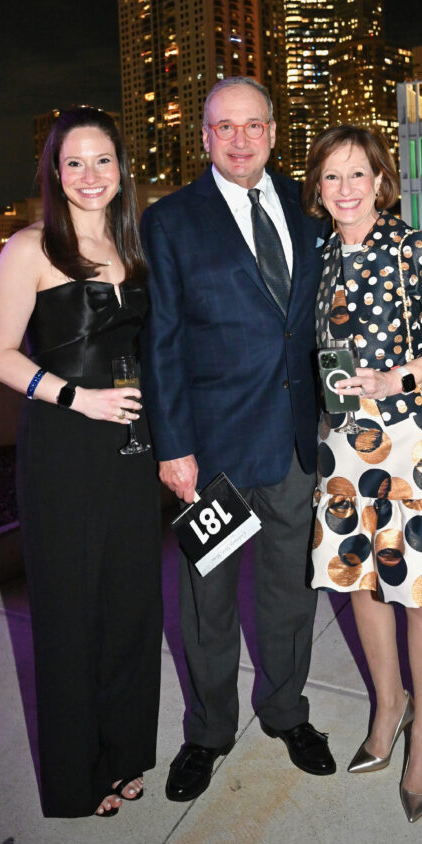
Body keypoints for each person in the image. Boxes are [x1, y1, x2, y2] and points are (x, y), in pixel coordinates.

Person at [140, 76, 333, 804]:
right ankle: (208, 731)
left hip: (291, 447)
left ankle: (287, 713)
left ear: (275, 132)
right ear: (203, 136)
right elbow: (161, 343)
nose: (241, 139)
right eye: (225, 126)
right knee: (206, 601)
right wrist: (172, 445)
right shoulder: (171, 221)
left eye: (254, 125)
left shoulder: (304, 208)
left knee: (290, 593)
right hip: (210, 454)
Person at [304, 125, 422, 824]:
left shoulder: (416, 249)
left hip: (408, 441)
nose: (345, 189)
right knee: (361, 583)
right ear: (317, 189)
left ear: (382, 182)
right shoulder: (316, 257)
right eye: (331, 177)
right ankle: (386, 711)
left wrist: (398, 376)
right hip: (343, 449)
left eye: (358, 175)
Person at [0, 107, 162, 818]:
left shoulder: (136, 248)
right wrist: (75, 399)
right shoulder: (28, 248)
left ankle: (124, 753)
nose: (90, 175)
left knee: (129, 607)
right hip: (62, 447)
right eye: (74, 162)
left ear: (122, 170)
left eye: (104, 161)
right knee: (69, 611)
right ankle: (76, 773)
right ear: (55, 173)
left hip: (130, 452)